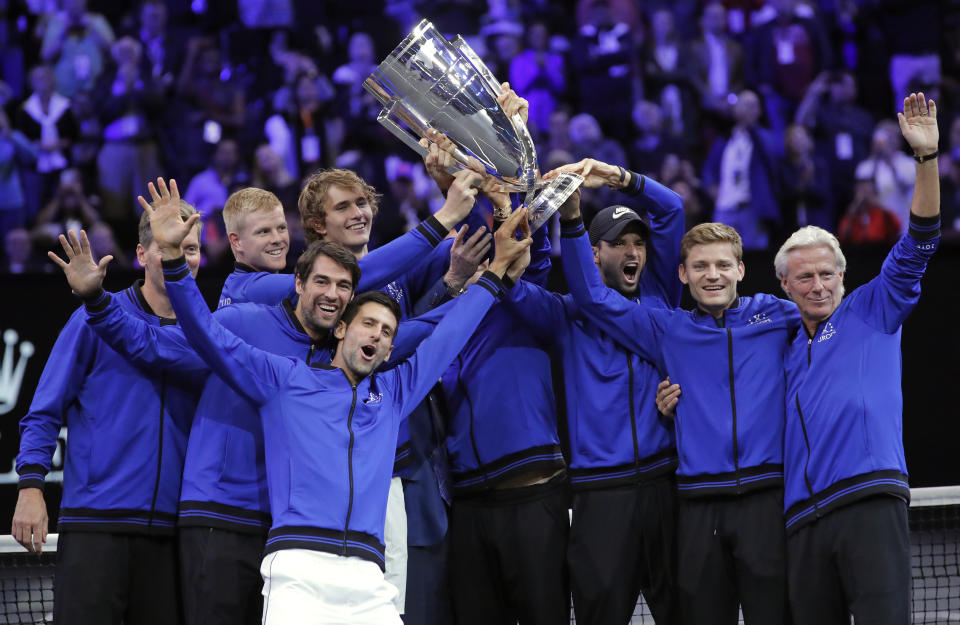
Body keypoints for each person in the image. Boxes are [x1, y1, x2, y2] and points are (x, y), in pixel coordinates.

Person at [147, 177, 532, 625]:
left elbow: (445, 337)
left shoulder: (394, 393)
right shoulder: (282, 380)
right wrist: (173, 259)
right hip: (298, 576)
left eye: (387, 331)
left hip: (369, 580)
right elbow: (205, 334)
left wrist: (495, 278)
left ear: (391, 349)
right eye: (368, 324)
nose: (376, 334)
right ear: (341, 328)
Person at [557, 190, 799, 624]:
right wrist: (572, 220)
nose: (713, 275)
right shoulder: (667, 328)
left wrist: (621, 177)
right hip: (696, 505)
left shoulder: (777, 316)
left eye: (723, 265)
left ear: (741, 269)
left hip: (766, 500)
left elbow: (830, 323)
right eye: (701, 267)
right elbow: (593, 298)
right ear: (682, 275)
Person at [776, 92, 941, 625]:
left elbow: (920, 241)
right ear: (785, 284)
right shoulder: (777, 344)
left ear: (844, 276)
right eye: (805, 276)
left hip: (869, 498)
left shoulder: (873, 307)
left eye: (828, 273)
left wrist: (926, 159)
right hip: (801, 520)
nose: (819, 285)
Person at [506, 158, 685, 625]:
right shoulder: (565, 314)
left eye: (638, 243)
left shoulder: (663, 299)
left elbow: (672, 209)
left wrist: (620, 178)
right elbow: (510, 286)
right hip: (602, 493)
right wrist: (510, 212)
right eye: (618, 243)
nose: (633, 252)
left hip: (668, 485)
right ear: (594, 253)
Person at [11, 201, 203, 625]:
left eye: (191, 249)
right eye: (171, 248)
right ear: (141, 254)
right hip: (96, 526)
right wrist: (30, 487)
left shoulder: (209, 334)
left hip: (173, 534)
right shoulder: (89, 322)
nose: (183, 259)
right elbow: (44, 411)